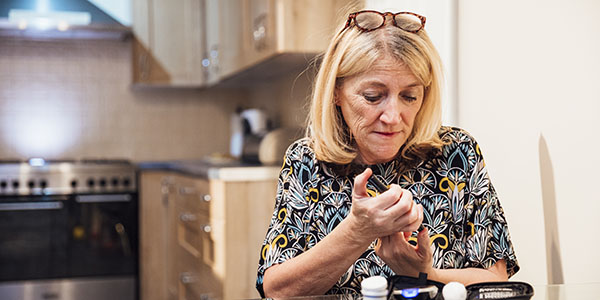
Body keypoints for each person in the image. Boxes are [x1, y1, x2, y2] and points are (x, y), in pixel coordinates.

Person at [256, 9, 519, 298]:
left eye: (409, 96)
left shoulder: (456, 152)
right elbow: (276, 290)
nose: (393, 116)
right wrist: (357, 232)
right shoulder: (307, 161)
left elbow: (497, 281)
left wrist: (424, 275)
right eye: (373, 96)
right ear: (336, 92)